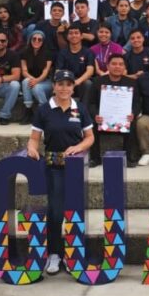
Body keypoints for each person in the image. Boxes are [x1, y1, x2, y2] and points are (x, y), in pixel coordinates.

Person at [26, 69, 96, 275]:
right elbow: (34, 138)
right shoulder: (44, 109)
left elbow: (90, 137)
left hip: (75, 167)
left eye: (68, 84)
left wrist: (78, 147)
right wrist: (31, 148)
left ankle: (73, 253)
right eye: (60, 84)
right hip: (54, 166)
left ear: (73, 87)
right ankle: (55, 253)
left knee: (75, 210)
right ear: (54, 86)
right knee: (56, 211)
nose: (64, 88)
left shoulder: (80, 108)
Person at [90, 53, 140, 167]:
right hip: (103, 119)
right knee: (91, 125)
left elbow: (137, 103)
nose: (117, 66)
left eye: (121, 64)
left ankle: (129, 157)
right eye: (114, 64)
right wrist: (95, 115)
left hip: (123, 119)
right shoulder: (98, 81)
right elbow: (91, 103)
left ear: (124, 67)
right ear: (108, 66)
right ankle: (95, 158)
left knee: (132, 124)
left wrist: (133, 113)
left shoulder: (131, 83)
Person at [55, 25, 96, 104]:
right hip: (66, 80)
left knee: (88, 83)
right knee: (57, 83)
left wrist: (77, 82)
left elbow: (90, 71)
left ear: (81, 36)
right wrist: (67, 82)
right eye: (71, 33)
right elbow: (58, 71)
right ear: (67, 37)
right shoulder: (62, 53)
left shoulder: (88, 52)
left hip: (81, 81)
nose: (73, 35)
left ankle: (83, 108)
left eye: (76, 33)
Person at [19, 30, 53, 123]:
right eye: (34, 39)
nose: (36, 41)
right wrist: (33, 80)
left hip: (46, 81)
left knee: (36, 87)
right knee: (25, 81)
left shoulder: (48, 53)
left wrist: (36, 81)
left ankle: (46, 111)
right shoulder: (24, 52)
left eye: (39, 39)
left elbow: (46, 72)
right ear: (30, 40)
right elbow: (24, 71)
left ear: (43, 41)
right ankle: (28, 110)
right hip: (31, 79)